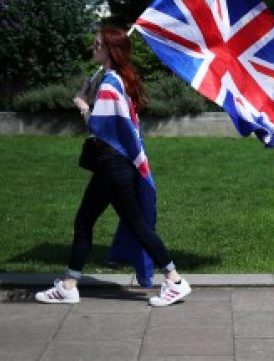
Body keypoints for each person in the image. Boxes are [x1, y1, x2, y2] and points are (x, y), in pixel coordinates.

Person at [35, 27, 190, 306]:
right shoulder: (114, 79)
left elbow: (99, 127)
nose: (92, 49)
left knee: (135, 226)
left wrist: (83, 104)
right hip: (114, 167)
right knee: (87, 221)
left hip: (112, 167)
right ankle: (69, 285)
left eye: (97, 45)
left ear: (109, 50)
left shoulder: (109, 83)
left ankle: (175, 280)